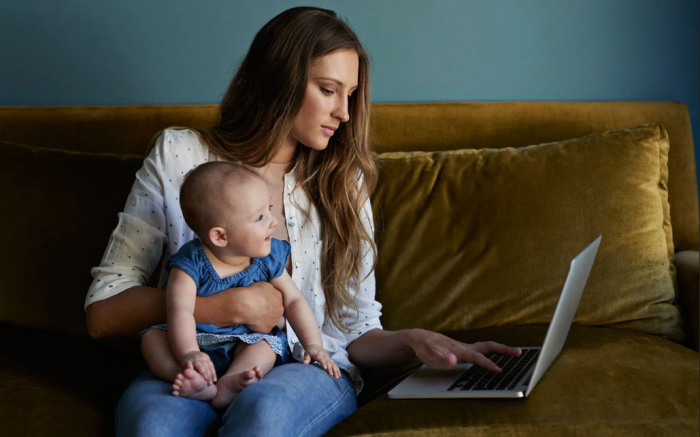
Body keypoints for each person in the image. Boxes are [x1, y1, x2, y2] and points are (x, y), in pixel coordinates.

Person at [85, 6, 521, 436]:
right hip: (192, 357)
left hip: (307, 365)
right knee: (154, 425)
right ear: (280, 79)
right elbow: (103, 313)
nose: (345, 113)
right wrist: (226, 308)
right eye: (329, 90)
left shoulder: (342, 182)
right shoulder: (180, 156)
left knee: (265, 416)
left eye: (350, 94)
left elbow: (354, 331)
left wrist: (413, 340)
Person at [141, 162, 341, 411]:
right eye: (259, 217)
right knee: (151, 338)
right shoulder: (190, 264)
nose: (272, 221)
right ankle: (190, 379)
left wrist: (314, 345)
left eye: (269, 209)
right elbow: (179, 310)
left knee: (266, 347)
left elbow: (293, 301)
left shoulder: (266, 257)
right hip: (192, 341)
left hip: (245, 341)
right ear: (220, 237)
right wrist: (189, 354)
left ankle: (229, 383)